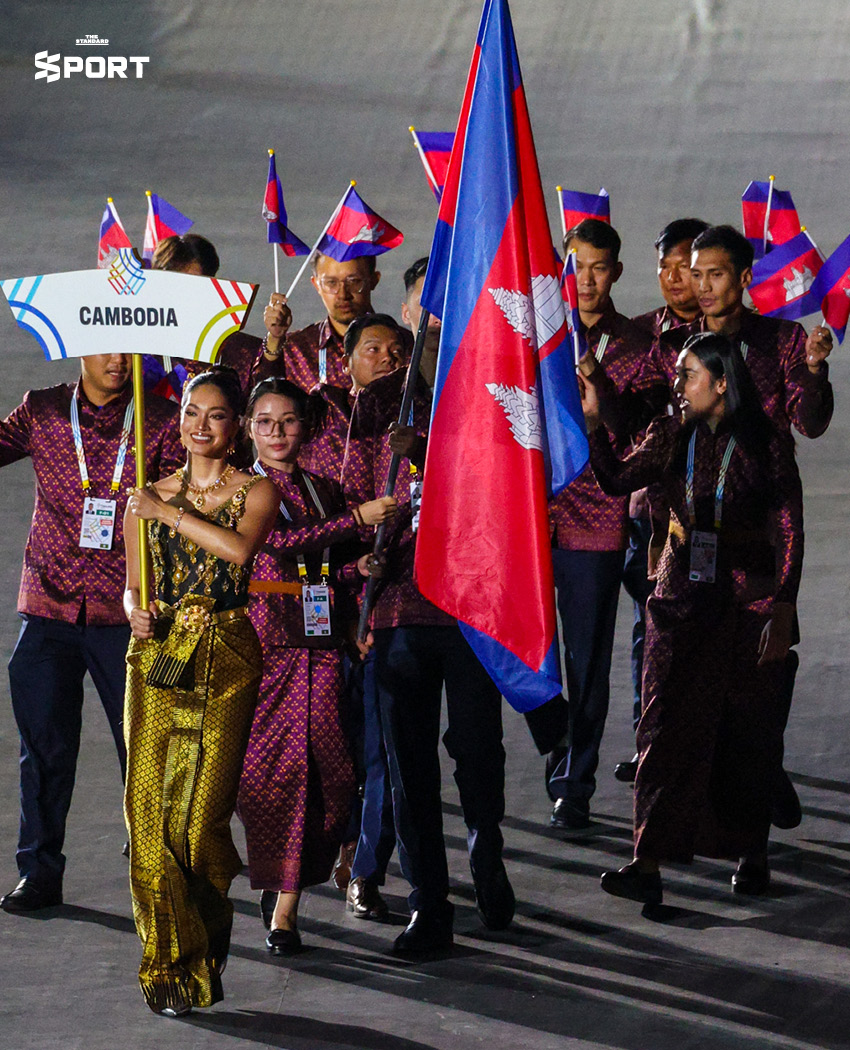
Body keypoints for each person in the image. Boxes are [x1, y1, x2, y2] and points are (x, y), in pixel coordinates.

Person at [582, 332, 803, 904]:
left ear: (723, 382)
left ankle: (751, 853)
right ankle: (646, 862)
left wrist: (782, 605)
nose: (677, 385)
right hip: (680, 595)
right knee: (661, 725)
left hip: (748, 599)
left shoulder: (766, 441)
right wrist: (592, 429)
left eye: (688, 375)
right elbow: (615, 481)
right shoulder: (669, 432)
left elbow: (789, 529)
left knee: (746, 732)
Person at [342, 255, 513, 955]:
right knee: (406, 764)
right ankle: (428, 904)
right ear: (411, 313)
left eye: (453, 307)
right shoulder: (379, 407)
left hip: (473, 606)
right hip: (399, 610)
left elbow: (518, 492)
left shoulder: (498, 395)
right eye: (430, 306)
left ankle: (487, 856)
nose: (440, 318)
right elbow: (356, 497)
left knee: (477, 750)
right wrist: (366, 559)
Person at [637, 224, 833, 829]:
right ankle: (711, 817)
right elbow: (644, 423)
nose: (701, 286)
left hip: (757, 544)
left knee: (758, 694)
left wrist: (818, 373)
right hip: (687, 548)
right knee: (692, 691)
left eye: (714, 274)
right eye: (695, 274)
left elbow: (811, 422)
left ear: (745, 279)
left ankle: (758, 807)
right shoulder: (675, 345)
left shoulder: (781, 340)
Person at [0, 354, 182, 915]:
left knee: (144, 750)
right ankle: (38, 872)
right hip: (48, 606)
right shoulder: (43, 410)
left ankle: (153, 866)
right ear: (80, 347)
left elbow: (195, 493)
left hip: (128, 612)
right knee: (43, 750)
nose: (115, 362)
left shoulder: (163, 420)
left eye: (127, 351)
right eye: (104, 347)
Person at [122, 366, 279, 1016]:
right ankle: (168, 966)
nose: (200, 425)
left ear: (236, 425)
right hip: (156, 656)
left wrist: (166, 514)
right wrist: (133, 605)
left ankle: (207, 943)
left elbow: (239, 554)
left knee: (201, 823)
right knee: (150, 820)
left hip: (227, 652)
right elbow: (133, 578)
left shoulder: (256, 490)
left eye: (216, 414)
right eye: (192, 412)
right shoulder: (146, 493)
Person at [236, 377, 397, 953]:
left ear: (306, 427)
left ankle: (314, 868)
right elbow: (281, 545)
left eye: (288, 421)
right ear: (247, 429)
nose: (277, 433)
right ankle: (284, 904)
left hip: (323, 643)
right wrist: (357, 519)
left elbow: (332, 568)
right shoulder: (242, 488)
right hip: (264, 644)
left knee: (333, 770)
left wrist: (365, 575)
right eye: (265, 422)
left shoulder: (324, 486)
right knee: (271, 777)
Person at [545, 219, 653, 831]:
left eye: (599, 268)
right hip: (532, 515)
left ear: (615, 273)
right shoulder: (536, 334)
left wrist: (598, 387)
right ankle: (551, 748)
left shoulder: (634, 344)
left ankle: (574, 780)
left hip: (596, 517)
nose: (585, 280)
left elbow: (632, 430)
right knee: (526, 649)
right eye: (577, 265)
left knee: (585, 658)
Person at [613, 217, 710, 785]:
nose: (675, 279)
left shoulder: (726, 342)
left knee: (714, 641)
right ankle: (647, 739)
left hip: (715, 516)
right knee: (646, 630)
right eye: (666, 267)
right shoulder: (641, 335)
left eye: (686, 268)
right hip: (651, 518)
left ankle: (744, 763)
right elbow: (625, 420)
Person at [262, 253, 411, 391]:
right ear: (316, 285)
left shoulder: (409, 346)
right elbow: (262, 398)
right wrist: (275, 338)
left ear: (373, 280)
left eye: (354, 281)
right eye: (331, 283)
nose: (342, 294)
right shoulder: (297, 349)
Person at [150, 234, 269, 400]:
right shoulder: (138, 356)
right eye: (175, 285)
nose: (185, 296)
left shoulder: (247, 352)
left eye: (196, 285)